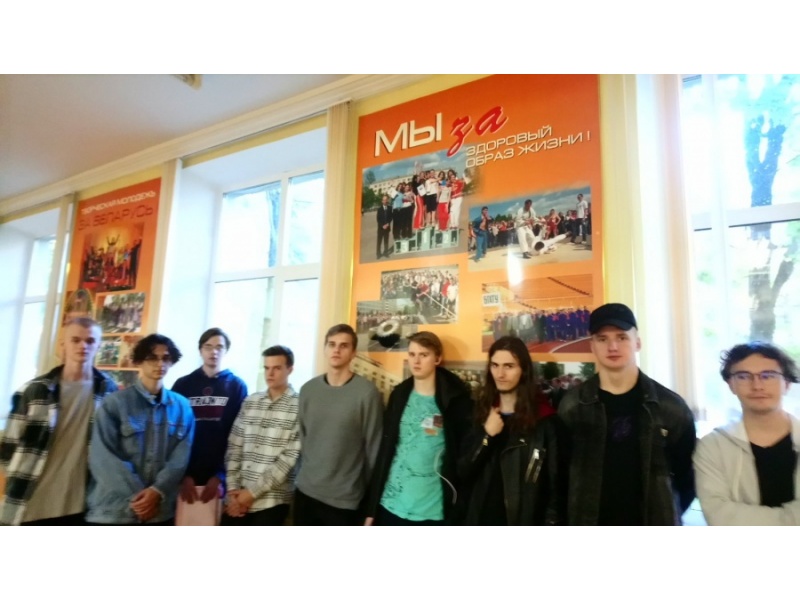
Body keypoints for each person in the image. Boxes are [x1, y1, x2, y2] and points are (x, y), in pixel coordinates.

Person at [558, 303, 696, 525]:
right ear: (592, 346)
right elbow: (561, 477)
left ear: (637, 343)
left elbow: (687, 479)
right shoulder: (572, 406)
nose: (612, 346)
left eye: (622, 337)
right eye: (602, 339)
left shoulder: (671, 408)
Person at [0, 318, 117, 526]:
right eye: (76, 340)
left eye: (90, 341)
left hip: (82, 501)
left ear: (99, 346)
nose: (83, 346)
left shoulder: (109, 391)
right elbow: (8, 448)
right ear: (63, 343)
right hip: (31, 497)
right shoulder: (34, 390)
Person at [364, 332, 472, 525]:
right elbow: (386, 450)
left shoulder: (454, 400)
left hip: (430, 509)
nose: (416, 361)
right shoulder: (399, 395)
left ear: (437, 358)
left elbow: (463, 455)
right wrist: (371, 508)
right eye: (412, 354)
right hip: (390, 504)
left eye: (424, 355)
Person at [86, 334, 195, 525]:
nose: (160, 363)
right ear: (139, 361)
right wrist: (141, 499)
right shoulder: (115, 403)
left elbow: (180, 458)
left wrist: (157, 491)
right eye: (152, 358)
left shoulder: (182, 407)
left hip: (160, 511)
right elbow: (103, 457)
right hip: (113, 511)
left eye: (165, 358)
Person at [460, 336, 566, 525]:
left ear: (523, 370)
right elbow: (463, 472)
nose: (500, 374)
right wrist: (487, 436)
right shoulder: (480, 413)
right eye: (495, 365)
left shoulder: (546, 423)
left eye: (508, 366)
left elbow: (556, 489)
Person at [694, 342, 800, 525]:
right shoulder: (713, 446)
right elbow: (719, 516)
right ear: (731, 385)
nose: (757, 385)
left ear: (787, 383)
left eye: (768, 375)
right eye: (743, 376)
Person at [294, 324, 383, 525]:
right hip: (306, 492)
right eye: (332, 344)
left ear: (353, 353)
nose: (336, 350)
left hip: (345, 501)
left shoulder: (367, 393)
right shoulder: (308, 390)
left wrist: (368, 500)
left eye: (344, 346)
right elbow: (304, 440)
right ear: (325, 349)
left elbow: (373, 449)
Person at [172, 327, 248, 509]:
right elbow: (173, 433)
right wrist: (183, 474)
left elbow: (239, 436)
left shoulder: (236, 386)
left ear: (226, 351)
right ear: (200, 350)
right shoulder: (183, 385)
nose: (214, 352)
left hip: (222, 474)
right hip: (185, 472)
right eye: (208, 346)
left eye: (219, 347)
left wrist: (221, 475)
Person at [223, 345, 300, 526]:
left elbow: (288, 459)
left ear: (290, 369)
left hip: (272, 500)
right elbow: (234, 447)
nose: (270, 374)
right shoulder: (251, 402)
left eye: (277, 368)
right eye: (266, 368)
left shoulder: (299, 405)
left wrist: (250, 494)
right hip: (236, 496)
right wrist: (233, 490)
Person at [376, 194, 393, 259]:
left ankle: (386, 253)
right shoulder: (379, 209)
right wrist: (382, 225)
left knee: (386, 241)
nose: (385, 201)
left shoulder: (390, 208)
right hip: (381, 228)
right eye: (384, 200)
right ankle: (378, 254)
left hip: (387, 227)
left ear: (387, 200)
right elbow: (378, 219)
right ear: (382, 201)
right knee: (379, 241)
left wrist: (388, 223)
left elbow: (391, 217)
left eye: (386, 200)